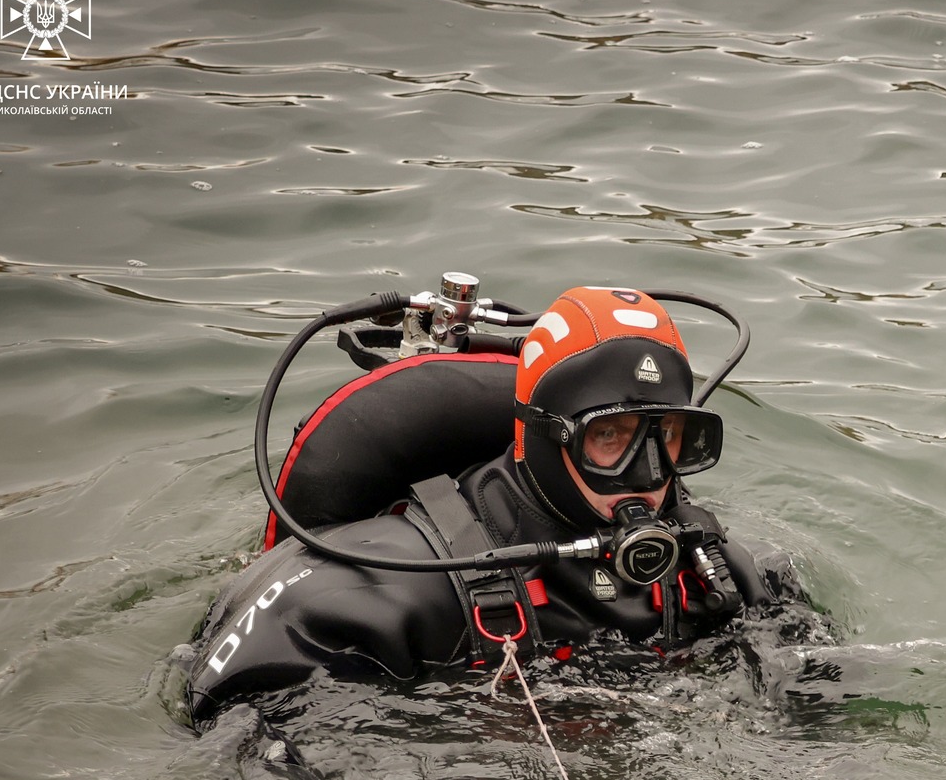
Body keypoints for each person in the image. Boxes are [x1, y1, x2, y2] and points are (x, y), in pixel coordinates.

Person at [186, 285, 800, 723]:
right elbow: (237, 723)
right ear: (542, 435)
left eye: (665, 436)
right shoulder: (381, 589)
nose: (645, 475)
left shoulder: (718, 573)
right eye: (608, 438)